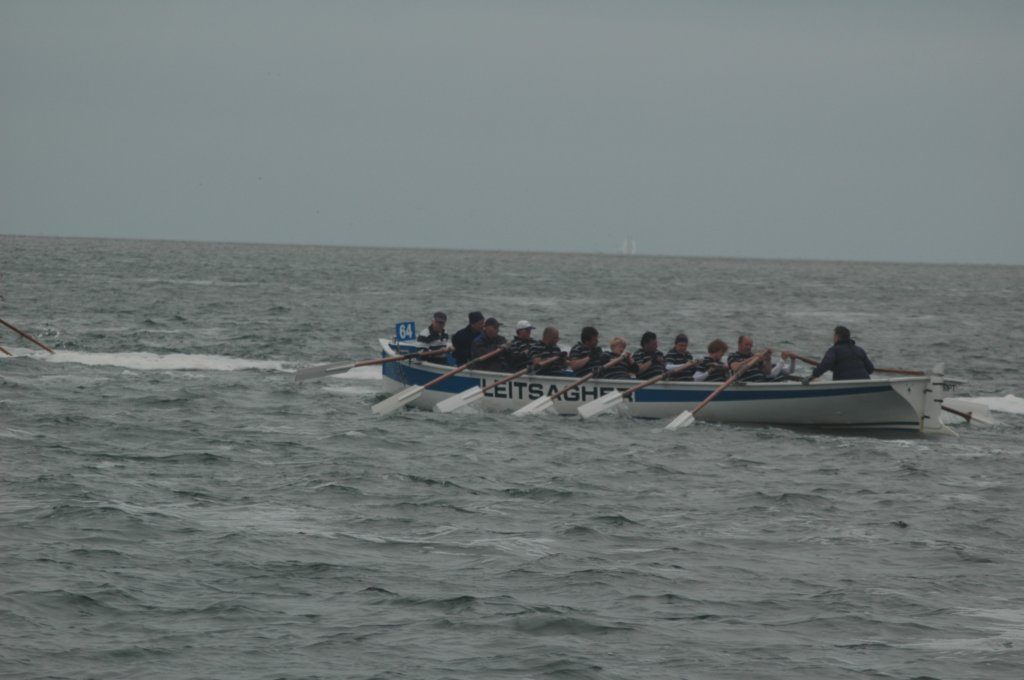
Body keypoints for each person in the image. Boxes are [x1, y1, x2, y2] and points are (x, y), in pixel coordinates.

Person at [804, 325, 874, 383]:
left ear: (837, 337)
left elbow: (826, 364)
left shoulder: (834, 350)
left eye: (834, 335)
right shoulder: (859, 350)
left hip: (844, 383)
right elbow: (870, 369)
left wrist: (812, 376)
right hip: (864, 382)